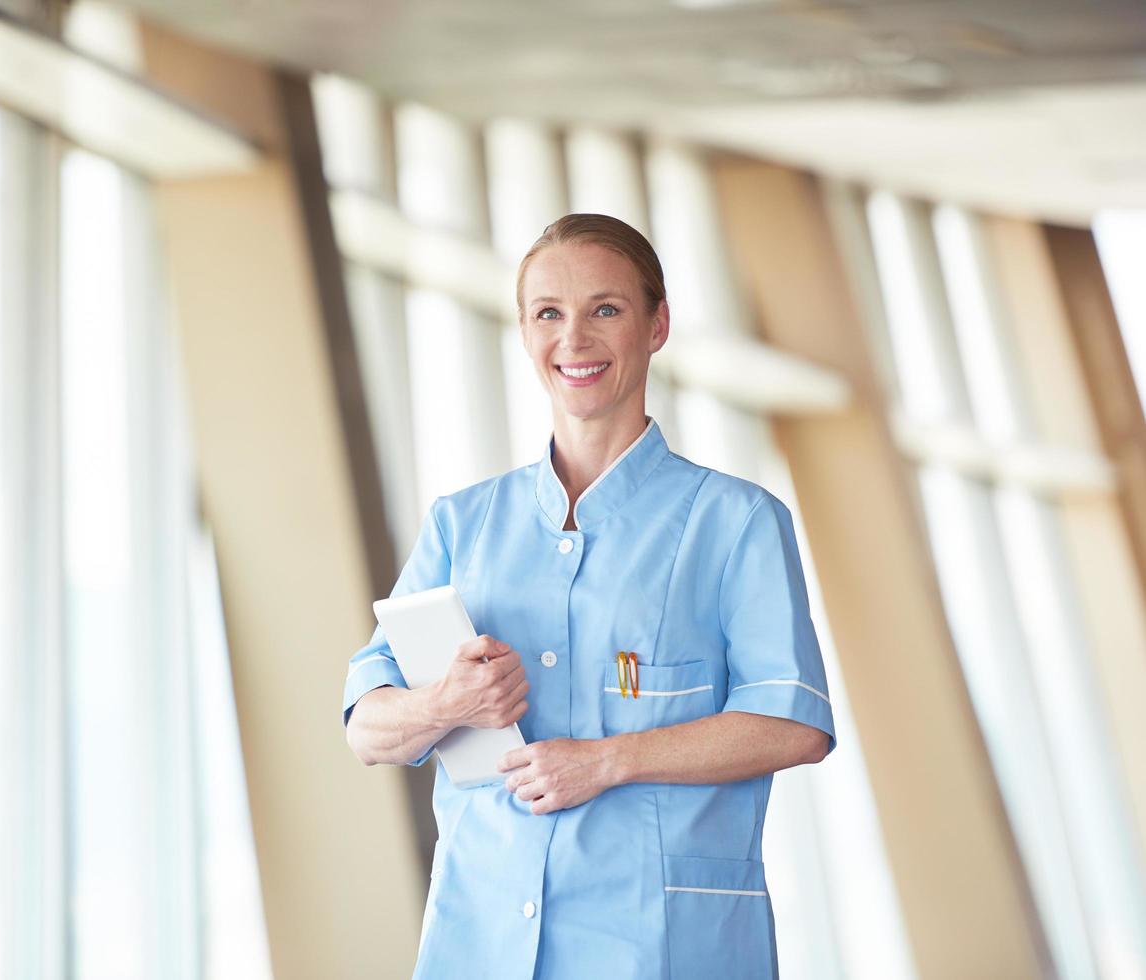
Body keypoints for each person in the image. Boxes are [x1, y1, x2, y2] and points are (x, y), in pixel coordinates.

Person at [342, 213, 835, 980]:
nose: (573, 339)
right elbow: (368, 729)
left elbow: (792, 725)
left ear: (656, 325)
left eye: (604, 309)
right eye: (548, 314)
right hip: (481, 946)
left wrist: (607, 761)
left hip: (662, 947)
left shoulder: (733, 522)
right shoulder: (461, 525)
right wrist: (445, 704)